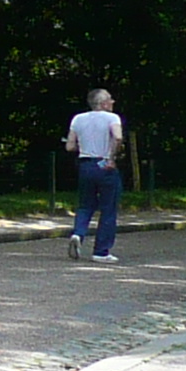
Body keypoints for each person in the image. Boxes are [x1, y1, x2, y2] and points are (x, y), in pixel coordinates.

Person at [65, 89, 124, 262]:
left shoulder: (78, 119)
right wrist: (111, 158)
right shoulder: (112, 118)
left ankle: (78, 234)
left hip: (85, 165)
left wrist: (83, 147)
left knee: (85, 205)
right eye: (110, 100)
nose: (113, 102)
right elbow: (118, 138)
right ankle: (101, 251)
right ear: (103, 103)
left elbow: (69, 146)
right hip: (104, 164)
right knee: (108, 208)